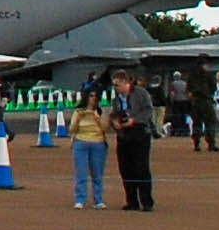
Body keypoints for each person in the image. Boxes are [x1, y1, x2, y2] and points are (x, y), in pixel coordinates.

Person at [112, 70, 158, 212]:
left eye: (118, 85)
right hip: (124, 135)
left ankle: (147, 201)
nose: (116, 88)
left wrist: (134, 120)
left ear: (126, 83)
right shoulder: (117, 99)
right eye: (114, 85)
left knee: (141, 168)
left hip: (140, 134)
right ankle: (132, 201)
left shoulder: (141, 93)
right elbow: (114, 114)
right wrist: (115, 123)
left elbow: (148, 110)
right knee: (125, 168)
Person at [67, 85, 110, 208]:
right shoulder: (79, 111)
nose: (93, 98)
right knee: (81, 173)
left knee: (97, 173)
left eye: (96, 96)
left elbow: (105, 128)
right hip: (81, 142)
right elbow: (72, 129)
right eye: (91, 96)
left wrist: (98, 119)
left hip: (98, 142)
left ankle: (98, 199)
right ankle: (80, 199)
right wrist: (77, 120)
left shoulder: (100, 111)